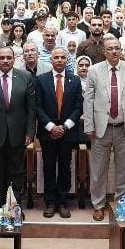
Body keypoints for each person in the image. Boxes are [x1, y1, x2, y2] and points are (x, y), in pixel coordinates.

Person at [83, 38, 125, 220]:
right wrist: (89, 125)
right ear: (104, 52)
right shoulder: (94, 70)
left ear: (121, 50)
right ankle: (98, 205)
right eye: (110, 49)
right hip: (101, 128)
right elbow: (88, 100)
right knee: (98, 170)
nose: (114, 51)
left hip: (124, 128)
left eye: (117, 48)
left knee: (124, 169)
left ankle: (120, 205)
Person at [0, 47, 38, 206]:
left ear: (14, 59)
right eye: (2, 57)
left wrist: (30, 132)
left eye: (8, 58)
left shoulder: (25, 77)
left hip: (18, 135)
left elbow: (31, 108)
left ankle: (14, 209)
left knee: (16, 174)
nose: (5, 61)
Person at [36, 48, 83, 217]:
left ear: (67, 60)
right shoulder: (41, 79)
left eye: (63, 57)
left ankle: (63, 202)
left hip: (67, 133)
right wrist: (51, 126)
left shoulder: (75, 80)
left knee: (65, 168)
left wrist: (64, 127)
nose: (59, 60)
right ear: (51, 59)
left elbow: (78, 107)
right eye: (56, 57)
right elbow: (37, 106)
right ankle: (50, 202)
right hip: (47, 133)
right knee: (48, 167)